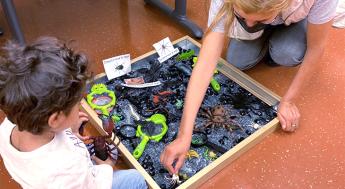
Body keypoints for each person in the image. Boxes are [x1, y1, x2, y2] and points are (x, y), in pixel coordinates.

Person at [161, 0, 338, 174]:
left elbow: (316, 48)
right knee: (237, 61)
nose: (249, 24)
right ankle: (263, 29)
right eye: (241, 15)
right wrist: (184, 134)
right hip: (269, 14)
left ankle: (280, 37)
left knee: (287, 53)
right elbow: (206, 62)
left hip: (295, 18)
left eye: (259, 20)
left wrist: (289, 100)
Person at [0, 37, 147, 189]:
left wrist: (68, 130)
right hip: (84, 182)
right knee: (135, 179)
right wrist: (107, 168)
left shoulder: (9, 126)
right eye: (78, 104)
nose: (80, 106)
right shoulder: (68, 168)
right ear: (55, 119)